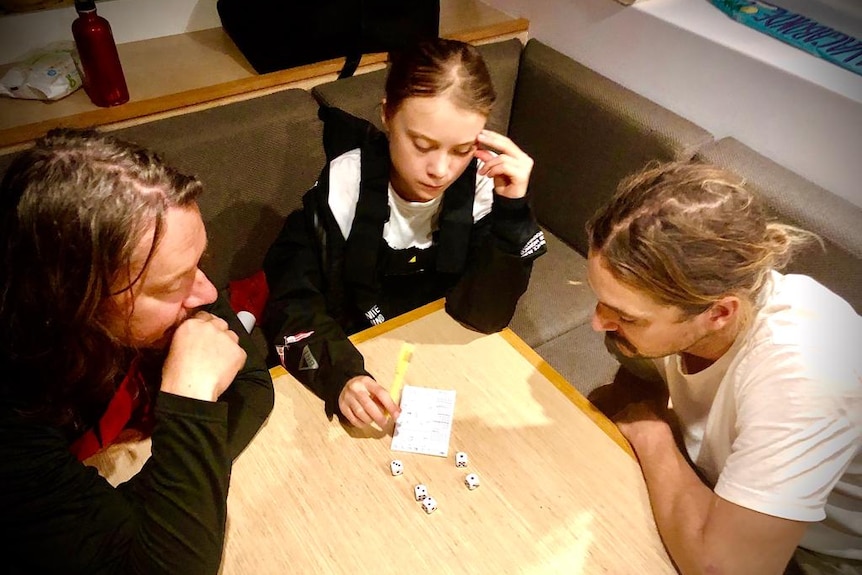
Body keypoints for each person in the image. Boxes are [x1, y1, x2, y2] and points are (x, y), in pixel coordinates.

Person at [0, 128, 275, 574]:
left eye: (198, 264)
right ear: (76, 299)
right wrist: (190, 398)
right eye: (172, 285)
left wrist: (165, 496)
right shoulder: (14, 414)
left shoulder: (171, 269)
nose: (205, 293)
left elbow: (252, 386)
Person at [584, 160, 861, 575]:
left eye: (629, 316)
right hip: (731, 502)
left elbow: (728, 569)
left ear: (719, 313)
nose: (597, 322)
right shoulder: (703, 302)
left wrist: (651, 432)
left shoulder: (803, 372)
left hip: (821, 556)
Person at [262, 38, 547, 428]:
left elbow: (485, 315)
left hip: (444, 353)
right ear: (387, 115)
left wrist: (512, 213)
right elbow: (292, 306)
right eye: (422, 145)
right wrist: (341, 377)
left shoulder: (484, 189)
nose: (441, 170)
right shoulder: (343, 191)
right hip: (355, 353)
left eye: (462, 149)